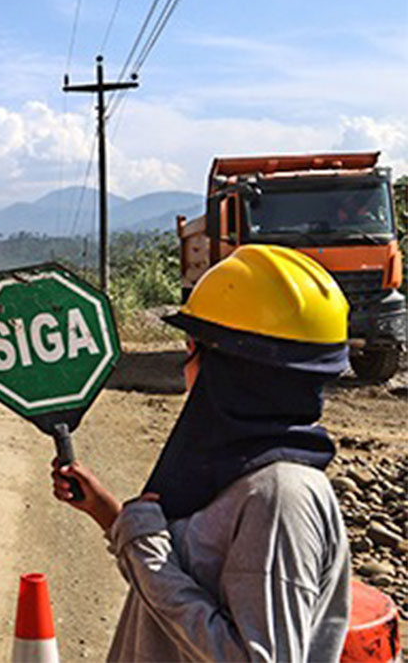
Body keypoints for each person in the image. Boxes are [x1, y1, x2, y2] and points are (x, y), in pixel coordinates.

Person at [52, 244, 352, 662]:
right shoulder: (238, 469)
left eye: (193, 350)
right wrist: (113, 516)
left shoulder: (279, 498)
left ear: (232, 370)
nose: (184, 367)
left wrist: (144, 544)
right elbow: (191, 583)